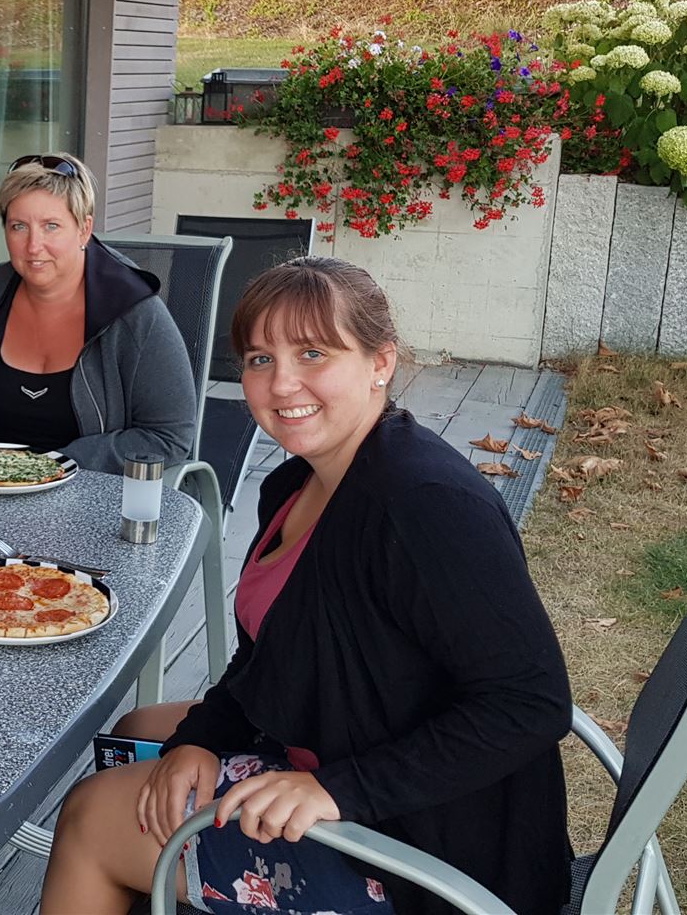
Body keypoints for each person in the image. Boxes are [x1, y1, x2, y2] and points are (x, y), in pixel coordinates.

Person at [41, 256, 572, 915]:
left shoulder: (424, 505)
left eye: (313, 353)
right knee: (142, 732)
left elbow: (531, 704)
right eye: (260, 359)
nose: (282, 382)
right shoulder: (296, 484)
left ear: (380, 362)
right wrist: (199, 739)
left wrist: (336, 790)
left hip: (430, 849)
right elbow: (271, 656)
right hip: (343, 743)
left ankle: (120, 871)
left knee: (91, 818)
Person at [0, 152, 196, 473]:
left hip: (91, 488)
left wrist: (52, 468)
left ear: (84, 229)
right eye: (19, 226)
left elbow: (169, 436)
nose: (33, 246)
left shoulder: (135, 313)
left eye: (51, 226)